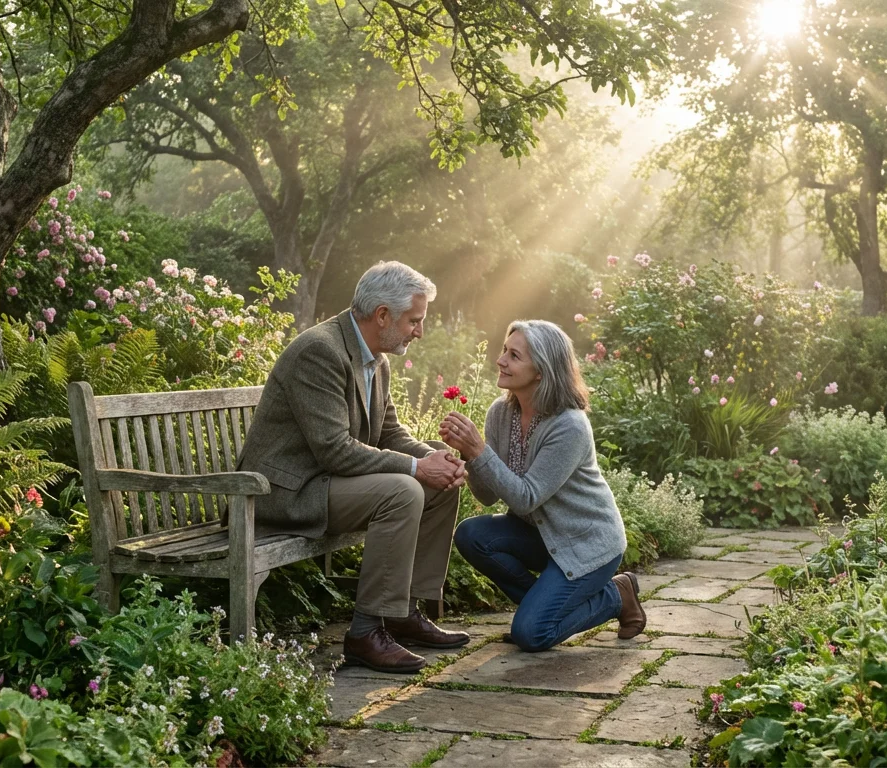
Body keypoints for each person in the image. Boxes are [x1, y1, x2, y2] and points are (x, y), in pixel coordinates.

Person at [237, 262, 469, 674]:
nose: (419, 331)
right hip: (285, 492)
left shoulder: (376, 358)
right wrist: (418, 467)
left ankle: (403, 611)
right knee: (405, 490)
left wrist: (437, 461)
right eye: (414, 321)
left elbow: (390, 434)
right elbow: (335, 451)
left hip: (327, 482)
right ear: (382, 315)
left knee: (432, 474)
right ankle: (365, 632)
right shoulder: (320, 351)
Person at [439, 320, 646, 652]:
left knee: (531, 635)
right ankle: (540, 609)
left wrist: (479, 451)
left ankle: (616, 595)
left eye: (514, 355)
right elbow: (488, 496)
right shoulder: (500, 413)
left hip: (586, 544)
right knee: (471, 535)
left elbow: (526, 499)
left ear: (540, 371)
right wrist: (469, 454)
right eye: (504, 350)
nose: (501, 360)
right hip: (540, 537)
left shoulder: (569, 426)